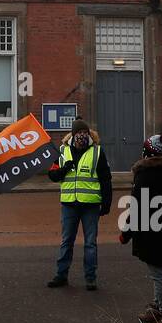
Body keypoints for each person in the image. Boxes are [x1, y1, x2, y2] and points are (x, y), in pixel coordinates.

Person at [119, 134, 162, 323]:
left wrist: (126, 233)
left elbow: (137, 209)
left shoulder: (145, 176)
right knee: (158, 271)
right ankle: (157, 308)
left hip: (151, 233)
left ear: (146, 153)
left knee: (159, 274)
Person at [46, 119, 112, 290]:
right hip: (69, 205)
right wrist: (65, 168)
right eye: (79, 133)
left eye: (85, 132)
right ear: (73, 135)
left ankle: (90, 278)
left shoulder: (97, 152)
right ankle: (61, 275)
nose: (82, 135)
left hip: (90, 205)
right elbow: (52, 176)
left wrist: (107, 202)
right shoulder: (62, 151)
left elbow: (106, 179)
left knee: (90, 243)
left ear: (88, 134)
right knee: (66, 241)